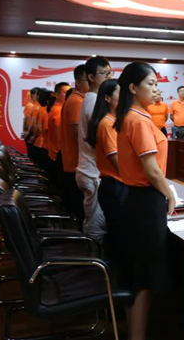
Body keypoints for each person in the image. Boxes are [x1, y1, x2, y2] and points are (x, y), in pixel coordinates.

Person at [114, 62, 175, 340]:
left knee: (138, 274)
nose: (155, 89)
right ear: (133, 88)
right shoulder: (137, 120)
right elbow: (151, 170)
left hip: (136, 200)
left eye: (156, 84)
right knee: (143, 278)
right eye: (150, 84)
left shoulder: (132, 116)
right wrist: (169, 193)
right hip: (145, 203)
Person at [85, 79, 127, 265]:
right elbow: (118, 163)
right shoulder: (108, 124)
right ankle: (114, 275)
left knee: (118, 234)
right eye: (120, 93)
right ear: (107, 98)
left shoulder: (114, 122)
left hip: (116, 185)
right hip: (115, 186)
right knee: (119, 236)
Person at [76, 56, 112, 244]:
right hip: (92, 170)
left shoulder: (93, 100)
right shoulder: (93, 102)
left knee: (95, 216)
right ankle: (92, 253)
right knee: (96, 220)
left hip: (90, 168)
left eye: (110, 73)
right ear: (90, 77)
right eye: (104, 73)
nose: (108, 77)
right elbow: (101, 139)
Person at [61, 65, 89, 218]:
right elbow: (78, 135)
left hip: (75, 162)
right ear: (78, 81)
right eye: (87, 80)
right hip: (76, 162)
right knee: (79, 207)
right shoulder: (76, 101)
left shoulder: (79, 100)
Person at [47, 82, 70, 185]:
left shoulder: (57, 108)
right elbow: (59, 136)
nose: (68, 95)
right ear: (56, 95)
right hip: (58, 154)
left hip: (54, 153)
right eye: (65, 92)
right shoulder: (58, 111)